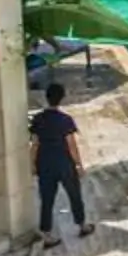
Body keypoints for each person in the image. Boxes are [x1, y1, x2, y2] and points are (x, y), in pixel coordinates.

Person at [30, 84, 88, 246]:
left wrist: (32, 164)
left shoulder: (38, 119)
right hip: (64, 163)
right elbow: (71, 145)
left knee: (47, 200)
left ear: (46, 98)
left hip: (45, 163)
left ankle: (47, 234)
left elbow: (35, 144)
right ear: (61, 98)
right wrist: (78, 164)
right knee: (74, 194)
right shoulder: (65, 120)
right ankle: (82, 225)